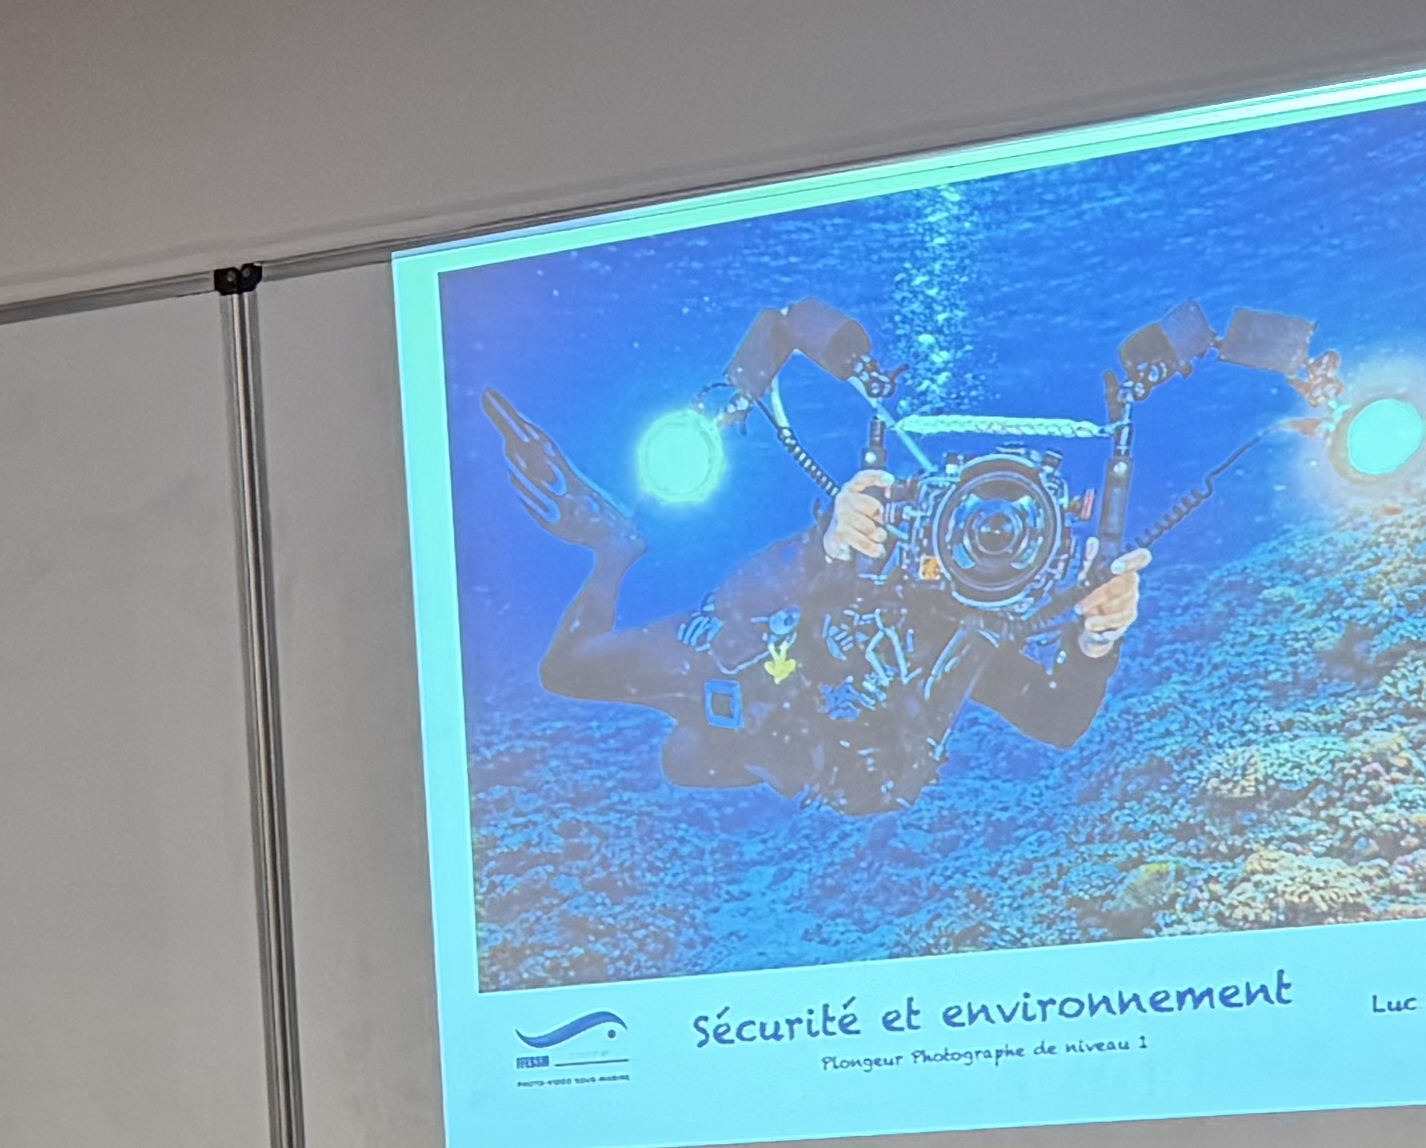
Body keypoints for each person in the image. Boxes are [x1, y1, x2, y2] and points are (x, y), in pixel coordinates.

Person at [483, 319, 1147, 816]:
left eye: (1005, 536)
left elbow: (1057, 723)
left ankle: (727, 736)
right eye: (961, 516)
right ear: (927, 503)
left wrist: (1095, 644)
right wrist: (825, 546)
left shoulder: (967, 626)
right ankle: (615, 548)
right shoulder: (871, 549)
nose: (978, 542)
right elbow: (739, 602)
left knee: (688, 757)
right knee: (582, 684)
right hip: (738, 668)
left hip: (793, 753)